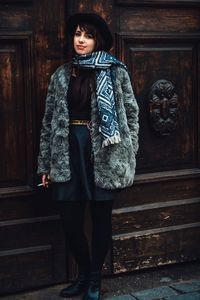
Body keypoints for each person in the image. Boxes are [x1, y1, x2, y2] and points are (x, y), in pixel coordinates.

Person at [37, 12, 139, 300]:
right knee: (70, 221)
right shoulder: (61, 74)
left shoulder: (115, 71)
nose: (81, 40)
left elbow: (131, 115)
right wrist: (44, 163)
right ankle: (83, 274)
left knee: (100, 217)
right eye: (78, 34)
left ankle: (94, 280)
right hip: (68, 152)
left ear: (97, 40)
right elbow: (48, 121)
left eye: (88, 35)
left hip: (105, 153)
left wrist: (129, 152)